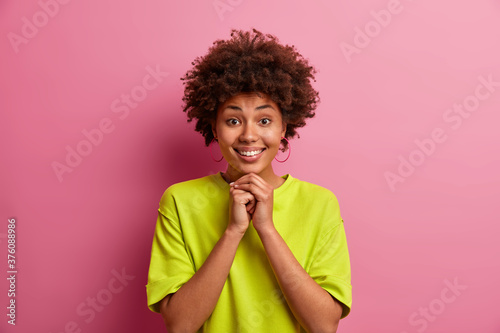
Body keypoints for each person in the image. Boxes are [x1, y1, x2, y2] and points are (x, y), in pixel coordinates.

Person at [146, 28, 352, 333]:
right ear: (213, 128)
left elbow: (324, 326)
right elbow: (180, 325)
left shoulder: (319, 203)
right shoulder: (180, 201)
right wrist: (234, 230)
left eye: (264, 120)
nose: (248, 135)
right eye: (232, 120)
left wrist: (266, 228)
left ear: (285, 126)